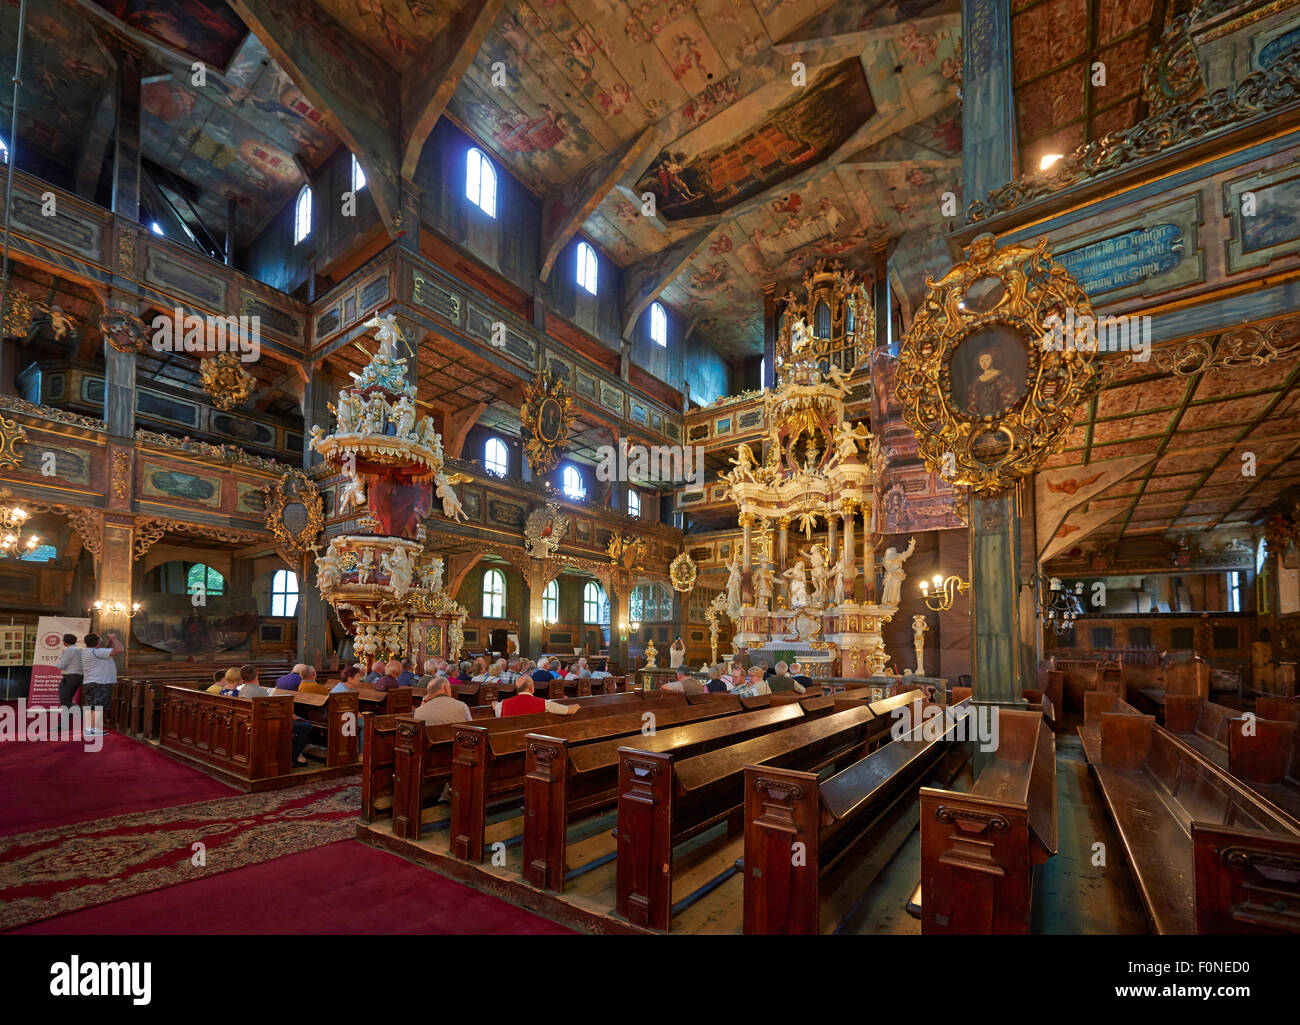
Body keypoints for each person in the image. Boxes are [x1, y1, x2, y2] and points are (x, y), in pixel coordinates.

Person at [80, 631, 123, 737]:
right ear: (98, 642)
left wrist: (108, 643)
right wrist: (113, 639)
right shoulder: (97, 652)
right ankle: (92, 730)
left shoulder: (87, 651)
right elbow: (120, 649)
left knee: (91, 706)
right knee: (98, 706)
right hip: (100, 682)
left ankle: (89, 728)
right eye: (100, 639)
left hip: (91, 682)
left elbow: (103, 652)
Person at [494, 678, 579, 718]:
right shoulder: (544, 703)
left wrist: (494, 704)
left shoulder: (503, 704)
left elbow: (496, 707)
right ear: (531, 688)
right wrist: (578, 705)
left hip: (508, 742)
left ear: (517, 690)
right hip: (535, 743)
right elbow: (569, 711)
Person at [56, 633, 83, 708]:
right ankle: (68, 716)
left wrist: (60, 661)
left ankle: (82, 713)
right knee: (68, 698)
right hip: (79, 676)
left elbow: (61, 665)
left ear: (64, 642)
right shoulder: (81, 649)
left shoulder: (69, 650)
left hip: (70, 677)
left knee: (64, 700)